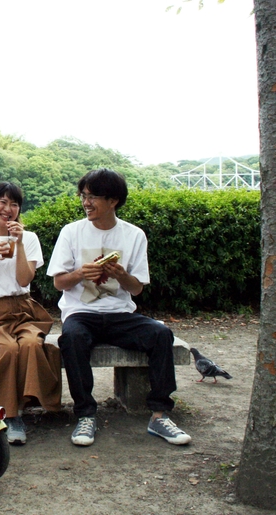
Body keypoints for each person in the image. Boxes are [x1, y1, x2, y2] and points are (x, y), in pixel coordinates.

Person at [46, 168, 191, 447]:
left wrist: (121, 275)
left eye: (93, 197)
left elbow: (137, 289)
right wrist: (80, 274)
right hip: (81, 313)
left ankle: (160, 415)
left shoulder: (134, 235)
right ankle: (86, 415)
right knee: (72, 338)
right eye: (83, 196)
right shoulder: (71, 232)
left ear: (113, 201)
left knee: (161, 334)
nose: (86, 202)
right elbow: (59, 284)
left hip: (120, 315)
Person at [0, 182, 62, 445]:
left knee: (30, 344)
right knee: (7, 350)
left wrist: (18, 245)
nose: (8, 209)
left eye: (14, 204)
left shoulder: (29, 239)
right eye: (2, 202)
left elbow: (23, 279)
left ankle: (21, 406)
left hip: (23, 310)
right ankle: (10, 414)